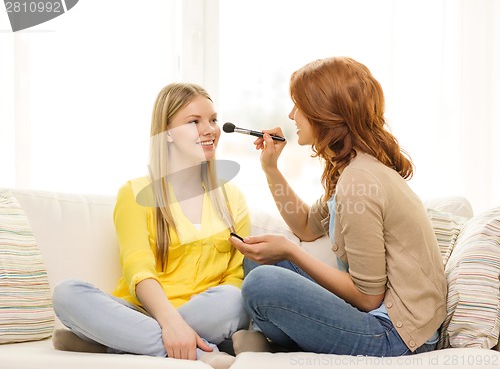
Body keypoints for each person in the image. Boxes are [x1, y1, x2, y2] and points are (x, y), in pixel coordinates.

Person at [229, 57, 447, 357]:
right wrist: (270, 167)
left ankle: (284, 346)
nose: (291, 115)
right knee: (260, 262)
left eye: (298, 107)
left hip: (397, 335)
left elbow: (369, 298)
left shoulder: (359, 183)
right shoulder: (353, 170)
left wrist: (290, 250)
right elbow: (305, 227)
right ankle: (289, 343)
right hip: (379, 315)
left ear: (324, 114)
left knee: (262, 284)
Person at [52, 83, 251, 369]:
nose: (210, 130)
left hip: (207, 310)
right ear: (166, 133)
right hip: (143, 311)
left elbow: (234, 277)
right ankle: (200, 352)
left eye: (213, 120)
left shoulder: (232, 198)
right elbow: (138, 267)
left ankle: (113, 342)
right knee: (67, 294)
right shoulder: (135, 192)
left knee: (233, 299)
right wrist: (169, 323)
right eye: (194, 121)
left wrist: (176, 324)